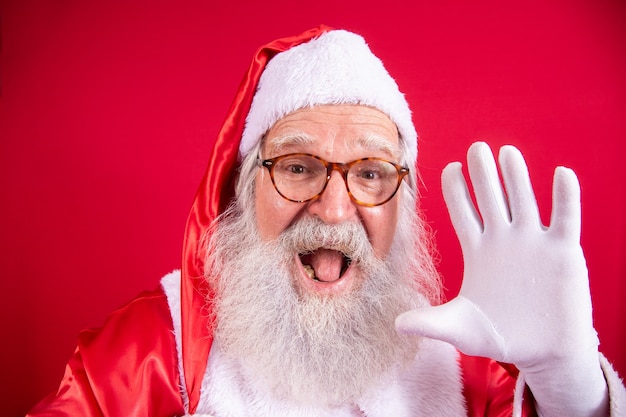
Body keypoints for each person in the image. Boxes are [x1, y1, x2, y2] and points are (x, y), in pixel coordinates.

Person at [28, 26, 625, 417]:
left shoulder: (468, 366)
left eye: (370, 174)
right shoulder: (153, 351)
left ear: (405, 203)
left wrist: (569, 384)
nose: (335, 209)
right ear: (241, 189)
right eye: (297, 166)